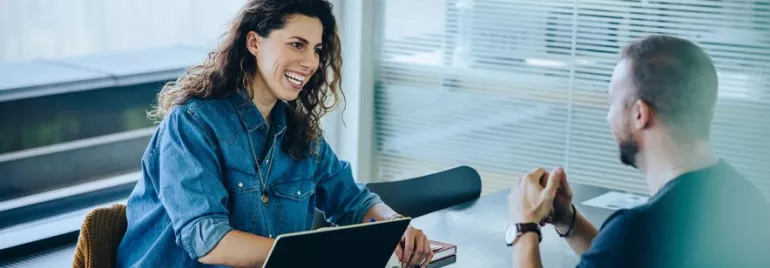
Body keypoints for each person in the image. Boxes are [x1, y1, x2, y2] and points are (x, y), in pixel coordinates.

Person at [116, 0, 433, 267]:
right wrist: (308, 255)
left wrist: (395, 226)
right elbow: (207, 239)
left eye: (317, 49)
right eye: (297, 44)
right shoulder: (192, 124)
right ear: (254, 42)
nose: (310, 62)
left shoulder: (301, 133)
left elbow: (353, 200)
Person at [507, 35, 770, 267]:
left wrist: (524, 226)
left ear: (640, 114)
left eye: (612, 102)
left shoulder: (638, 229)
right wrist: (568, 220)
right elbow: (628, 257)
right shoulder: (746, 200)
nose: (607, 117)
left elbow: (630, 245)